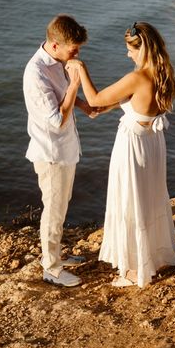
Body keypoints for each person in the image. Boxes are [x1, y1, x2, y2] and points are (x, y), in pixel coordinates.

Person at [67, 21, 175, 288]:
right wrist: (88, 106)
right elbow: (129, 104)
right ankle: (156, 256)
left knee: (130, 200)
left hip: (132, 145)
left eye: (130, 50)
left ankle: (133, 271)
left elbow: (95, 99)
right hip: (152, 143)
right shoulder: (163, 73)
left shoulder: (136, 78)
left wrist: (81, 69)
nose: (127, 55)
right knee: (149, 198)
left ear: (142, 49)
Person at [22, 14, 104, 287]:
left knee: (61, 206)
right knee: (53, 211)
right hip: (51, 153)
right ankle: (51, 269)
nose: (77, 54)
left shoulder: (57, 61)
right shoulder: (36, 74)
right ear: (55, 45)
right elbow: (57, 120)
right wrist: (75, 84)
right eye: (73, 49)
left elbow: (63, 99)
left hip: (66, 150)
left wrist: (83, 105)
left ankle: (56, 256)